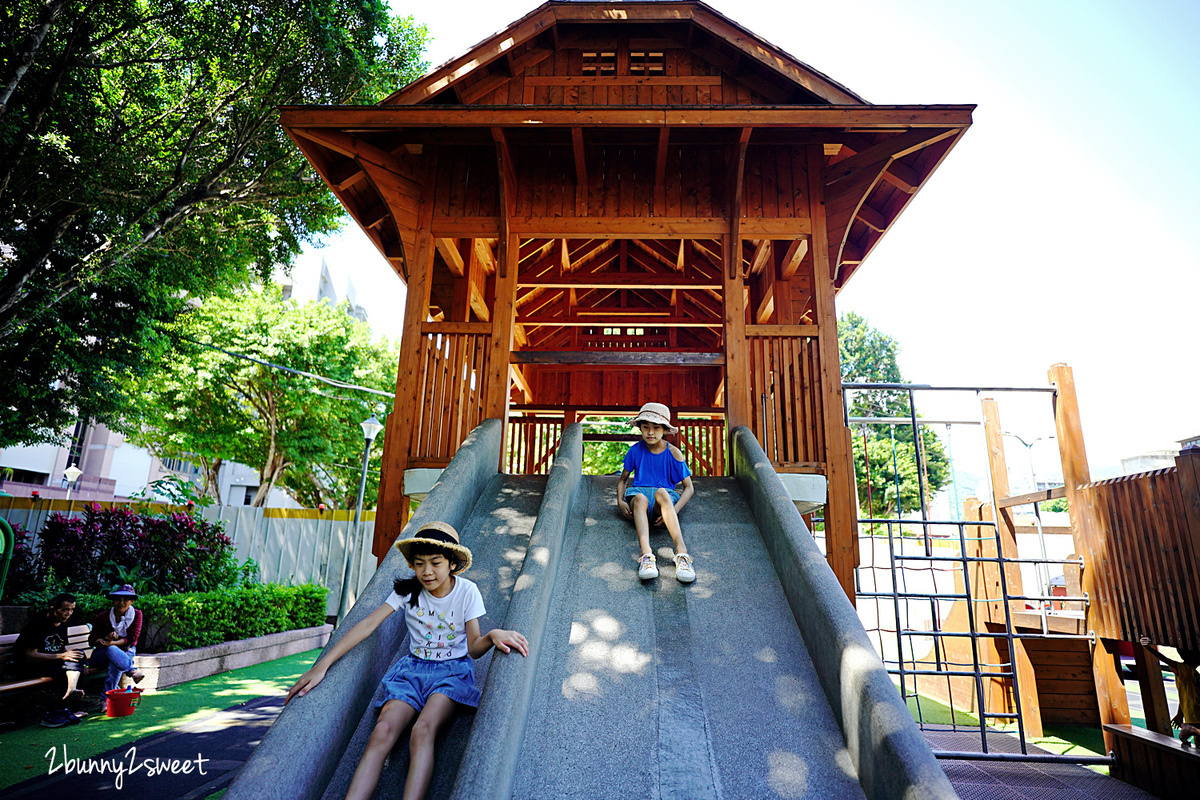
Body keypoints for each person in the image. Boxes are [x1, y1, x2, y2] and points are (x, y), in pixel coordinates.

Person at [285, 522, 528, 800]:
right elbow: (368, 624)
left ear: (452, 564)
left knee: (422, 731)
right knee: (382, 731)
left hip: (451, 673)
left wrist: (493, 635)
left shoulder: (466, 591)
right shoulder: (408, 591)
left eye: (435, 562)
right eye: (419, 563)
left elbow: (473, 648)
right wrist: (322, 665)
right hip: (411, 672)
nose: (426, 571)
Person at [617, 402, 696, 583]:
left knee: (662, 492)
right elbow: (622, 480)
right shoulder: (635, 451)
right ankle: (646, 556)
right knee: (639, 498)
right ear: (640, 429)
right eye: (645, 427)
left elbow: (689, 488)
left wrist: (674, 511)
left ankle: (682, 555)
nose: (650, 432)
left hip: (664, 500)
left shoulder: (674, 453)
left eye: (655, 428)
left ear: (665, 430)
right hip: (639, 498)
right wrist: (620, 501)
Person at [15, 593, 89, 727]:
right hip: (30, 667)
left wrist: (79, 662)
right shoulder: (36, 625)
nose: (69, 613)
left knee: (78, 657)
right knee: (63, 671)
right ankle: (55, 713)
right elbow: (29, 655)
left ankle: (69, 707)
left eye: (72, 609)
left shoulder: (62, 624)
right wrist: (61, 657)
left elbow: (61, 649)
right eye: (65, 609)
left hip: (51, 663)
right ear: (52, 609)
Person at [88, 584, 145, 692]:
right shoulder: (102, 616)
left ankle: (106, 699)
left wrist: (113, 643)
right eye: (118, 599)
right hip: (102, 654)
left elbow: (133, 638)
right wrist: (102, 640)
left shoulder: (137, 615)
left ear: (132, 601)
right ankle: (132, 672)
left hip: (126, 651)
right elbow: (92, 639)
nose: (121, 603)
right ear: (113, 601)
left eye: (125, 600)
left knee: (115, 662)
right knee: (111, 650)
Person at [1150, 646, 1200, 745]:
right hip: (1195, 715)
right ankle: (1192, 730)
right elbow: (1165, 659)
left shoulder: (1192, 672)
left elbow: (1186, 694)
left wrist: (1180, 714)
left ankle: (1190, 731)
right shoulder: (1183, 669)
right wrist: (1147, 647)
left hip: (1194, 715)